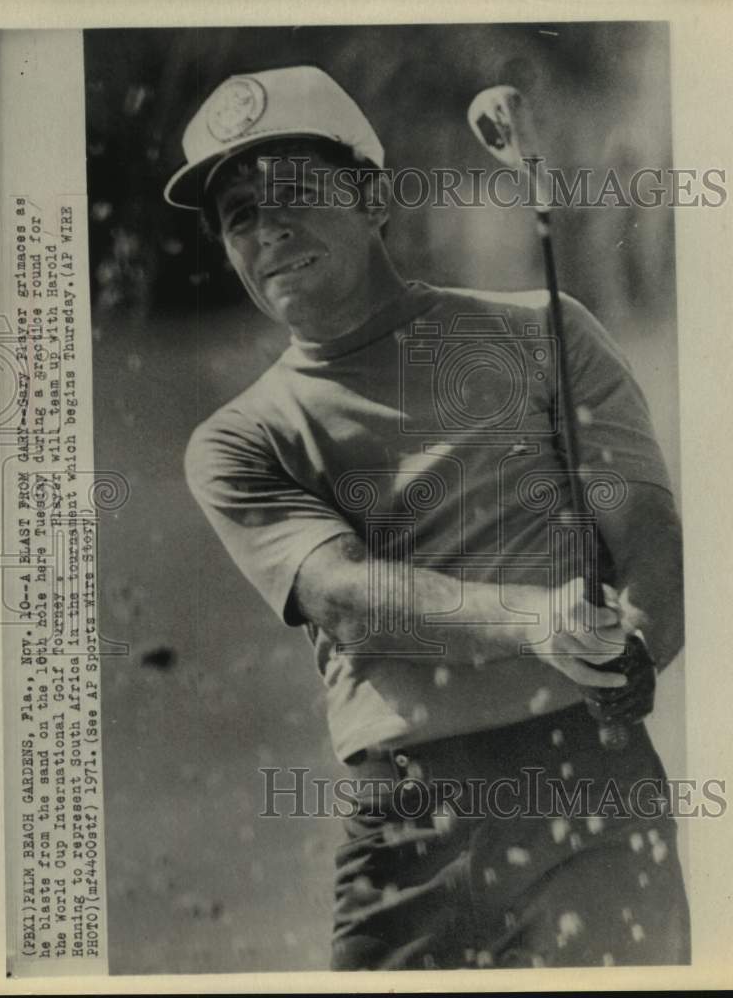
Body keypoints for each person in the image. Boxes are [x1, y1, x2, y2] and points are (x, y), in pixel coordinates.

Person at [165, 65, 690, 970]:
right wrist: (535, 620)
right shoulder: (239, 438)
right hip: (403, 816)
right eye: (239, 214)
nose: (268, 228)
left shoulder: (545, 332)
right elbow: (344, 596)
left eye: (292, 190)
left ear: (373, 198)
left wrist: (638, 639)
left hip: (586, 782)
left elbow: (642, 531)